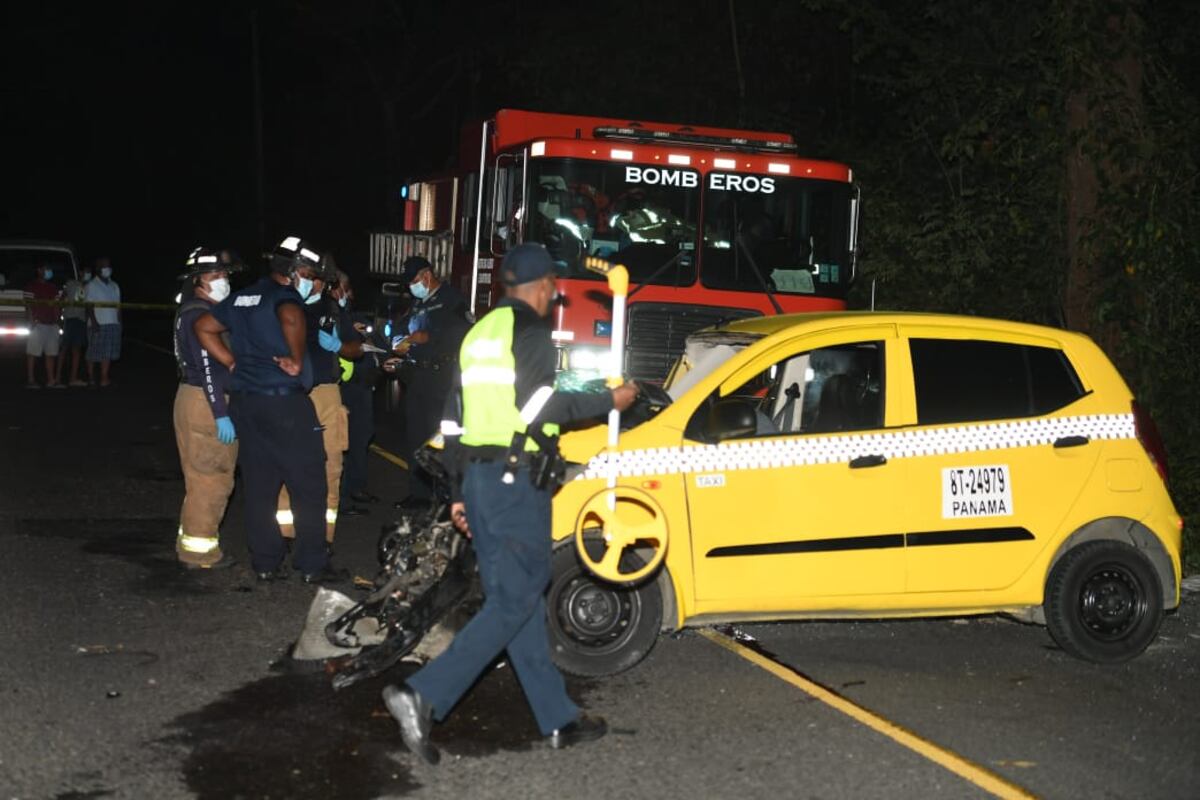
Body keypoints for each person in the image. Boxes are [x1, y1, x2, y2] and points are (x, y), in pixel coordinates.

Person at [381, 242, 639, 764]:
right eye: (552, 287)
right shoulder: (532, 334)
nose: (553, 295)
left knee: (515, 597)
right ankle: (423, 694)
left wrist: (459, 493)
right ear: (542, 287)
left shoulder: (480, 333)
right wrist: (608, 400)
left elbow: (452, 419)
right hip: (515, 481)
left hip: (480, 480)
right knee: (517, 598)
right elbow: (539, 407)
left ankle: (557, 717)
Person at [194, 235, 344, 584]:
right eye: (308, 273)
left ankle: (264, 562)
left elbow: (204, 327)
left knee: (260, 486)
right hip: (284, 404)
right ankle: (312, 564)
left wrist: (232, 362)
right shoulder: (285, 297)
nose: (310, 280)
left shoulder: (242, 296)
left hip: (247, 404)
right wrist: (296, 358)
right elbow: (291, 317)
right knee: (309, 485)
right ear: (294, 271)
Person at [274, 256, 352, 545]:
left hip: (326, 394)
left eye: (316, 278)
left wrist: (339, 345)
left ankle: (324, 538)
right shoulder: (282, 305)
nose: (311, 283)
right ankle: (285, 533)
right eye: (308, 277)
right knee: (287, 465)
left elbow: (356, 348)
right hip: (290, 393)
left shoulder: (332, 310)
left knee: (331, 467)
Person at [172, 247, 241, 569]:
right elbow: (208, 370)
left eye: (225, 274)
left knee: (200, 479)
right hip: (205, 401)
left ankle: (190, 543)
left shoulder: (195, 310)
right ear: (198, 280)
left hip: (195, 398)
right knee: (212, 479)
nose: (224, 279)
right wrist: (221, 413)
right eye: (217, 274)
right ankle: (200, 553)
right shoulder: (199, 315)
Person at [391, 255, 470, 511]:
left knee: (440, 437)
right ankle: (419, 494)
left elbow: (462, 333)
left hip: (442, 377)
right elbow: (401, 329)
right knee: (416, 436)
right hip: (419, 376)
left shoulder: (452, 299)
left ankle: (445, 496)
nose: (411, 287)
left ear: (427, 275)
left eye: (414, 281)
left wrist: (427, 337)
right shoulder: (417, 304)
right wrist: (400, 342)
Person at [330, 270, 382, 514]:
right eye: (344, 288)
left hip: (362, 386)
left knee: (361, 436)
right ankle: (340, 498)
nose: (347, 293)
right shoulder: (328, 314)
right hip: (343, 387)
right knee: (341, 442)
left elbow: (374, 339)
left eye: (348, 289)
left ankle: (355, 488)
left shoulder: (351, 315)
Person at [23, 262, 63, 389]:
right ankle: (31, 380)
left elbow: (57, 306)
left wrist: (58, 322)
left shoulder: (53, 287)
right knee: (33, 353)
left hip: (52, 324)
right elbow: (28, 306)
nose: (49, 271)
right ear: (39, 270)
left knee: (51, 353)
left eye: (49, 269)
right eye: (46, 269)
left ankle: (51, 380)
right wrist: (31, 322)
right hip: (38, 324)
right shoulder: (31, 286)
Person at [85, 257, 121, 387]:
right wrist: (94, 322)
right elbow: (89, 305)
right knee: (93, 352)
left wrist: (119, 322)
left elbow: (118, 306)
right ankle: (90, 376)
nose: (108, 269)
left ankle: (104, 377)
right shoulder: (91, 285)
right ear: (98, 268)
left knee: (107, 353)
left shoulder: (114, 285)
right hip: (98, 323)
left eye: (109, 266)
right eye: (105, 266)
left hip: (112, 323)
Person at [59, 265, 90, 386]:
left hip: (81, 320)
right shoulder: (71, 283)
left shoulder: (88, 287)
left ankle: (73, 378)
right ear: (80, 272)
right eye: (86, 272)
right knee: (64, 348)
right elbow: (62, 298)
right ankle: (57, 378)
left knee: (76, 350)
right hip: (71, 319)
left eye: (89, 272)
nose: (88, 274)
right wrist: (60, 315)